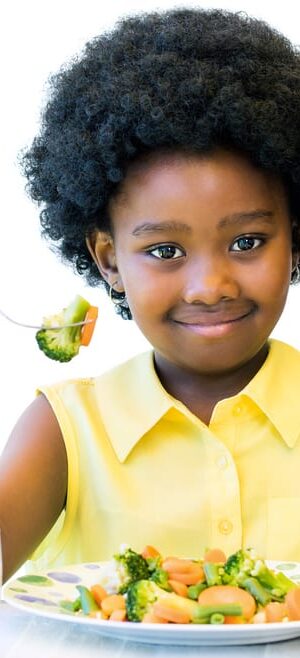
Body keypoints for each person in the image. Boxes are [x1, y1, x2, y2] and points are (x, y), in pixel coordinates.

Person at [1, 7, 300, 584]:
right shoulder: (64, 430)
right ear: (109, 260)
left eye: (247, 241)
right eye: (165, 251)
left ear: (295, 240)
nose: (211, 287)